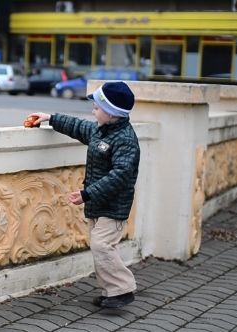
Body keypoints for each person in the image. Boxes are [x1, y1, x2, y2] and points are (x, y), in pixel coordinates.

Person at [28, 81, 139, 309]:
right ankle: (112, 291)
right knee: (100, 246)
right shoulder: (101, 131)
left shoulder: (125, 140)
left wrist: (87, 194)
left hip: (113, 206)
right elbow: (78, 126)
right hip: (97, 204)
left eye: (97, 108)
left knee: (101, 245)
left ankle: (124, 288)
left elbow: (120, 175)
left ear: (111, 113)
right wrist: (50, 118)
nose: (93, 111)